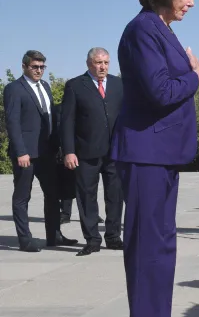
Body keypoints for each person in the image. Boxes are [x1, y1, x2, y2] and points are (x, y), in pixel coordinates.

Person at [110, 0, 199, 317]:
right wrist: (196, 77)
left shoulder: (161, 30)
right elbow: (161, 89)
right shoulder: (142, 29)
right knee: (147, 252)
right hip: (145, 153)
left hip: (163, 154)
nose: (191, 1)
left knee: (163, 251)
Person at [4, 50, 77, 252]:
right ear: (24, 66)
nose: (39, 71)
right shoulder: (14, 89)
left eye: (42, 67)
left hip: (47, 152)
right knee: (22, 197)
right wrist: (20, 152)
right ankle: (25, 239)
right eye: (34, 67)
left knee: (53, 195)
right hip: (26, 154)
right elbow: (13, 122)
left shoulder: (45, 86)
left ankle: (54, 236)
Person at [61, 47, 125, 256]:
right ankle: (92, 239)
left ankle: (113, 237)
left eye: (106, 63)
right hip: (85, 152)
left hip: (114, 153)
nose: (103, 67)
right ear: (89, 63)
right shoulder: (75, 86)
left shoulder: (118, 84)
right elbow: (67, 121)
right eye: (98, 63)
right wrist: (69, 151)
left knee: (115, 196)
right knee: (86, 197)